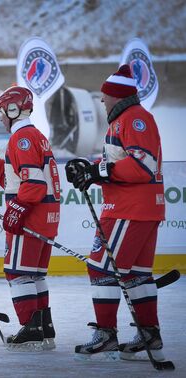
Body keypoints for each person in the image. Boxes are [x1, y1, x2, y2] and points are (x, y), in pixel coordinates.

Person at [67, 65, 166, 361]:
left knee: (100, 268)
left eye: (105, 96)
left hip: (129, 208)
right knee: (136, 275)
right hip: (139, 208)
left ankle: (106, 334)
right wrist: (91, 169)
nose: (102, 101)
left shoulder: (134, 118)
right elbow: (117, 161)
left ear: (117, 97)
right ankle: (149, 334)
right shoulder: (124, 119)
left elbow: (142, 164)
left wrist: (99, 171)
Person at [0, 85, 61, 351]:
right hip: (47, 218)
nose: (0, 118)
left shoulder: (22, 138)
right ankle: (43, 326)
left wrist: (17, 209)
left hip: (32, 218)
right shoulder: (36, 136)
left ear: (13, 109)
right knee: (36, 275)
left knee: (17, 274)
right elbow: (15, 179)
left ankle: (31, 328)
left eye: (2, 111)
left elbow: (33, 184)